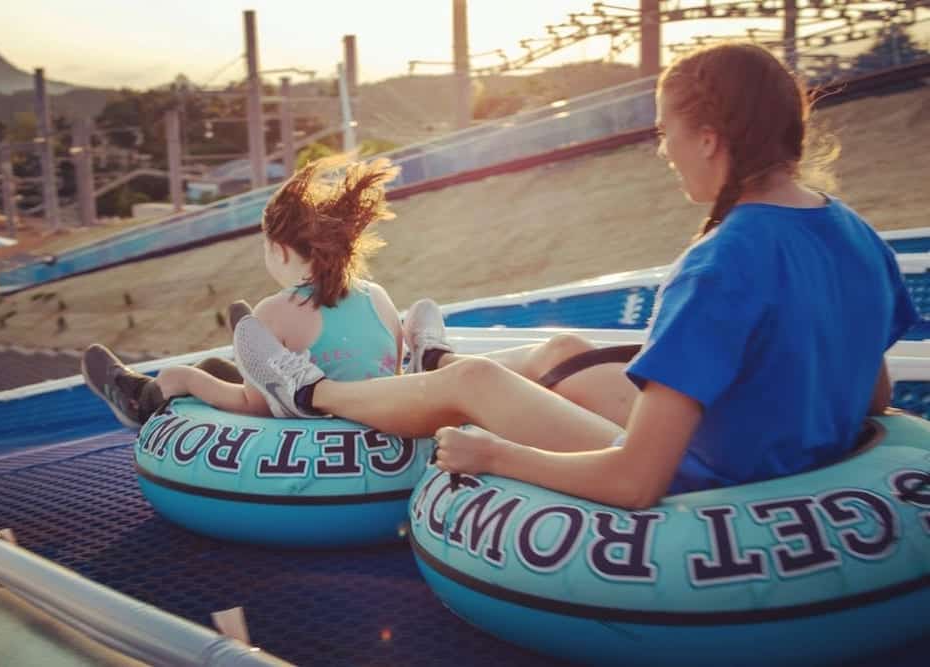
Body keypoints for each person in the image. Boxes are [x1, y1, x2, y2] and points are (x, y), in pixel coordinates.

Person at [234, 42, 918, 510]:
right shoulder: (854, 231)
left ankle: (314, 391)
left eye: (663, 133)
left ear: (708, 139)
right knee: (561, 352)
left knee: (474, 383)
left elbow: (637, 479)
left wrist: (497, 454)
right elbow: (873, 393)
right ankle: (427, 355)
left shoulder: (722, 261)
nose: (664, 151)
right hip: (748, 442)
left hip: (711, 480)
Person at [82, 157, 405, 428]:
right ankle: (253, 343)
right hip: (375, 426)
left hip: (312, 434)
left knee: (187, 375)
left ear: (278, 250)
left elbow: (258, 407)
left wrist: (186, 380)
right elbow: (392, 374)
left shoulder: (276, 309)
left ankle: (141, 401)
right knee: (213, 366)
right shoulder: (378, 297)